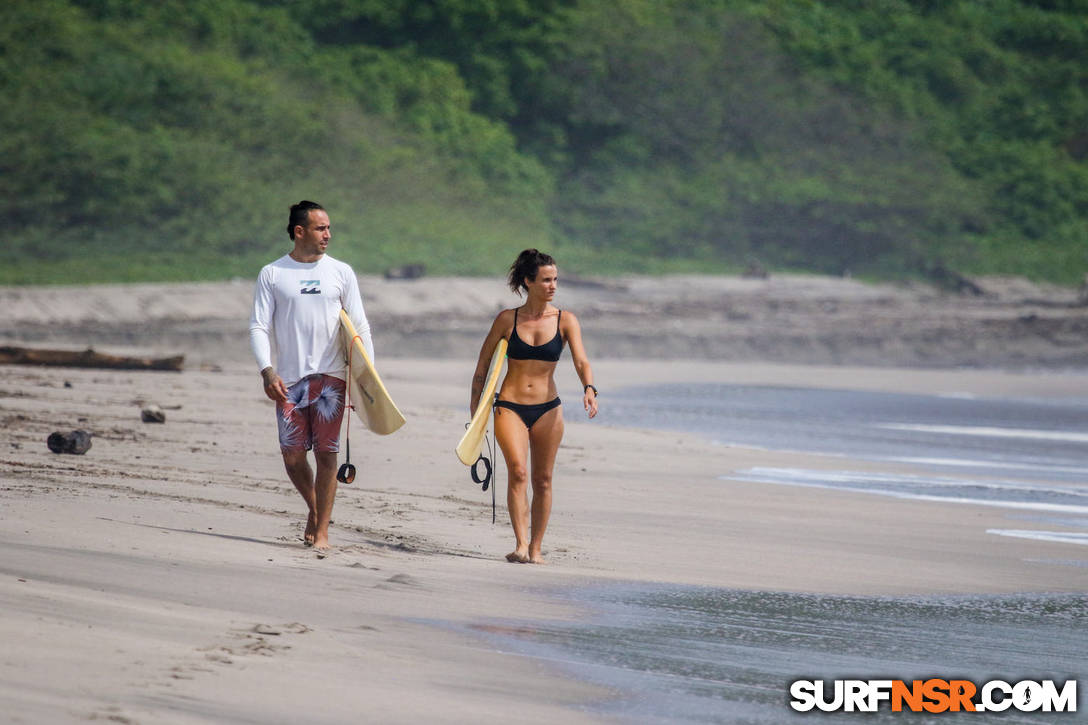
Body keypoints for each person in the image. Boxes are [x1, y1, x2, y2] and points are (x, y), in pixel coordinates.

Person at [249, 201, 374, 555]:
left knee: (327, 455)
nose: (328, 235)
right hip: (288, 379)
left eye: (329, 228)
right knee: (291, 457)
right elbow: (258, 325)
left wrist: (367, 376)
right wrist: (266, 369)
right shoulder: (272, 274)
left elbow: (360, 326)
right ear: (299, 231)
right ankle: (316, 507)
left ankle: (322, 532)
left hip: (331, 377)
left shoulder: (341, 272)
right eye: (321, 229)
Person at [470, 249, 598, 564]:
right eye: (545, 280)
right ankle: (521, 544)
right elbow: (482, 367)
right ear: (529, 281)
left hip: (548, 409)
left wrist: (589, 388)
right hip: (510, 405)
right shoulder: (506, 319)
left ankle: (537, 547)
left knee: (543, 479)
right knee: (518, 471)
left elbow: (581, 359)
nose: (552, 286)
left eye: (555, 279)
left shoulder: (566, 320)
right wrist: (476, 414)